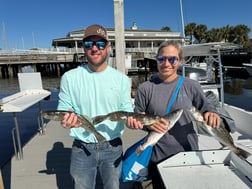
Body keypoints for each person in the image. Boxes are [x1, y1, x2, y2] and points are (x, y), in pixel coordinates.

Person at [128, 40, 220, 189]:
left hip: (188, 154)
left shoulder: (191, 86)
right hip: (158, 156)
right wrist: (139, 124)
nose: (166, 63)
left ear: (180, 61)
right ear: (156, 59)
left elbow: (206, 107)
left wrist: (212, 113)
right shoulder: (145, 88)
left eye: (172, 59)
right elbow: (138, 116)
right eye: (162, 59)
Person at [57, 24, 133, 189]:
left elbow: (127, 111)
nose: (94, 48)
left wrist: (133, 122)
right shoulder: (69, 78)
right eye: (89, 44)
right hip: (82, 147)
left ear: (108, 47)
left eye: (100, 44)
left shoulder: (121, 79)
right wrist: (66, 121)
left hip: (113, 145)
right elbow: (64, 110)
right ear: (83, 48)